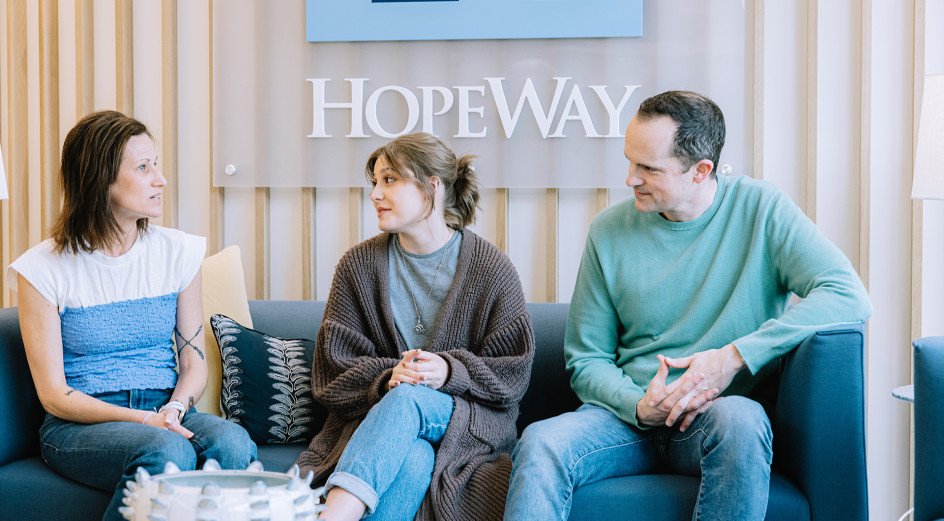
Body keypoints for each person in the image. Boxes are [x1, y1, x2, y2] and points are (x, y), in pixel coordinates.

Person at [504, 91, 872, 521]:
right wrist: (640, 406)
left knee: (743, 421)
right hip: (625, 420)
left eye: (648, 168)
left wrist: (733, 357)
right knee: (541, 441)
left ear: (701, 171)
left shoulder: (761, 210)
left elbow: (848, 294)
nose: (630, 179)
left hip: (714, 417)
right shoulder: (608, 231)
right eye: (629, 161)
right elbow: (587, 360)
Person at [8, 110, 257, 521]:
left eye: (155, 164)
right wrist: (145, 421)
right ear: (98, 179)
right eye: (144, 168)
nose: (160, 179)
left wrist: (173, 410)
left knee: (232, 444)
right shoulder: (41, 269)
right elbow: (54, 394)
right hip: (80, 427)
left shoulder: (179, 253)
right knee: (166, 450)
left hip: (166, 409)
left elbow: (193, 362)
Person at [296, 132, 535, 521]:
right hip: (382, 427)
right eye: (374, 182)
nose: (375, 193)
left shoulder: (491, 269)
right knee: (412, 457)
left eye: (389, 180)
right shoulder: (359, 266)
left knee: (409, 400)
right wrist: (389, 375)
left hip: (466, 421)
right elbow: (332, 370)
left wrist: (449, 371)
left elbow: (512, 375)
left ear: (432, 186)